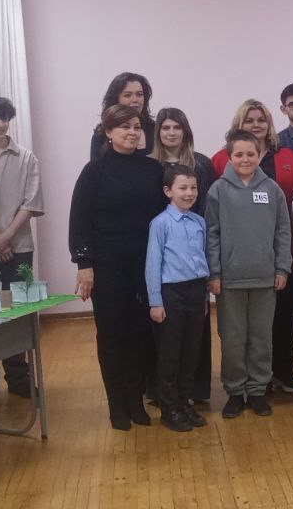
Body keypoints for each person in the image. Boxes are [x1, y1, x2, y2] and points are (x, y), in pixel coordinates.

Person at [70, 104, 166, 430]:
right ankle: (117, 405)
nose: (132, 132)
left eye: (136, 127)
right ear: (109, 132)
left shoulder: (152, 169)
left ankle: (136, 401)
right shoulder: (94, 171)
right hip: (107, 266)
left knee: (140, 334)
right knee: (112, 335)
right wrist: (84, 264)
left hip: (144, 265)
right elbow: (79, 220)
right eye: (124, 127)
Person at [211, 99, 293, 393]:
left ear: (269, 124)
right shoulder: (220, 170)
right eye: (249, 120)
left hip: (276, 261)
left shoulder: (285, 162)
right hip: (234, 268)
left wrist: (287, 259)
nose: (256, 125)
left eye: (261, 119)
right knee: (237, 333)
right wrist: (216, 269)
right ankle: (240, 386)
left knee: (277, 322)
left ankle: (275, 377)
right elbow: (213, 223)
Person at [206, 130, 292, 419]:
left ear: (259, 155)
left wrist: (282, 267)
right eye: (239, 154)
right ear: (229, 157)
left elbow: (283, 231)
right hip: (229, 281)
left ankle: (257, 390)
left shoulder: (272, 190)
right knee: (232, 338)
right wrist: (214, 272)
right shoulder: (218, 190)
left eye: (251, 154)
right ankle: (234, 391)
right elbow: (212, 234)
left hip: (265, 278)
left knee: (261, 337)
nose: (245, 159)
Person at [0, 96, 46, 399]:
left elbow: (31, 203)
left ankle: (19, 378)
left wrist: (5, 237)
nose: (1, 124)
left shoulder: (26, 157)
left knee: (19, 312)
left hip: (19, 245)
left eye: (4, 118)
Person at [149, 107, 215, 403]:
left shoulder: (201, 163)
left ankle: (193, 394)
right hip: (165, 260)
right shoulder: (150, 166)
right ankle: (166, 397)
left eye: (177, 127)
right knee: (168, 343)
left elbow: (207, 207)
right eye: (166, 127)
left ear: (185, 131)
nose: (172, 132)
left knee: (193, 341)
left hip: (194, 262)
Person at [144, 165, 211, 432]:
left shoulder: (199, 222)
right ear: (168, 191)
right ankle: (169, 407)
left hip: (196, 291)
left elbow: (202, 259)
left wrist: (204, 297)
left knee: (191, 351)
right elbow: (153, 263)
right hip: (172, 293)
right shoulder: (160, 223)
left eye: (193, 187)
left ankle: (185, 402)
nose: (189, 193)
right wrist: (155, 301)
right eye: (183, 188)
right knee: (170, 353)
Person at [89, 72, 155, 160]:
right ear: (116, 99)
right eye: (127, 95)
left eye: (139, 94)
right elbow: (96, 166)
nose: (135, 100)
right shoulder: (102, 133)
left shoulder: (154, 128)